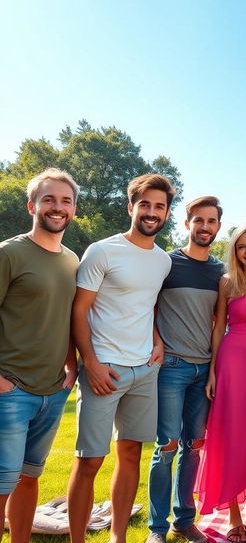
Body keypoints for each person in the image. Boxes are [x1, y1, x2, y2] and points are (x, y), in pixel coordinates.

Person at [67, 174, 176, 543]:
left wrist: (158, 342)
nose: (151, 212)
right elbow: (79, 310)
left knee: (130, 455)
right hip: (104, 370)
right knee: (89, 461)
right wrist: (91, 364)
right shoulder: (102, 250)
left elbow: (148, 307)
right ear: (131, 207)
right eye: (144, 204)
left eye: (159, 206)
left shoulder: (162, 261)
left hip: (145, 371)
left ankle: (118, 537)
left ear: (166, 213)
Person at [0, 168, 80, 543]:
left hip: (53, 391)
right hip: (10, 389)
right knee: (2, 482)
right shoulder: (10, 253)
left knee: (30, 477)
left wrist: (71, 365)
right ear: (32, 204)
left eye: (65, 201)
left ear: (74, 210)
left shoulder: (72, 261)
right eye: (49, 199)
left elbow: (65, 318)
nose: (57, 207)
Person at [147, 196, 226, 543]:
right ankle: (156, 528)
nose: (205, 227)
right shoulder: (165, 263)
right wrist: (156, 341)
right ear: (187, 223)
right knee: (165, 447)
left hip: (203, 370)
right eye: (199, 220)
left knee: (193, 447)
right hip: (172, 367)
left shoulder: (220, 271)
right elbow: (145, 305)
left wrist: (213, 368)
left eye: (211, 221)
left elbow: (218, 321)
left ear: (218, 227)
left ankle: (183, 520)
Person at [196, 222, 246, 543]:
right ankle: (232, 514)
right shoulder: (227, 282)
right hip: (232, 365)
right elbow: (218, 329)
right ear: (235, 251)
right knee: (230, 437)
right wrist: (214, 371)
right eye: (241, 246)